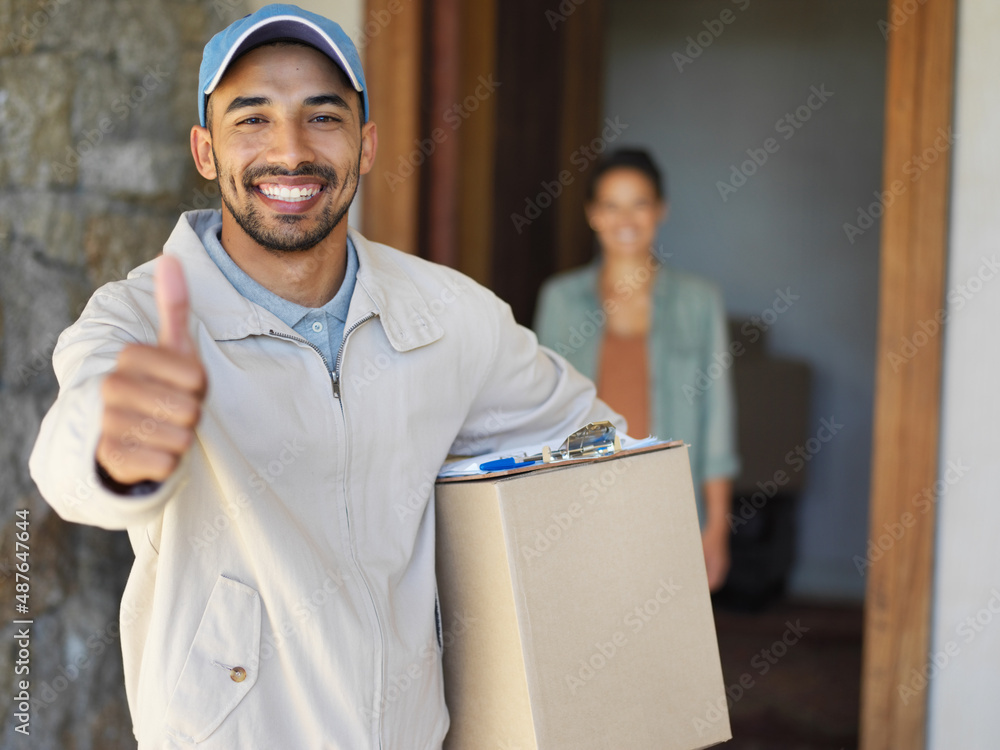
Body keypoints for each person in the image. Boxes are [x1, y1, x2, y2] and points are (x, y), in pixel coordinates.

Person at [28, 5, 621, 747]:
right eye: (252, 119)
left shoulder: (449, 313)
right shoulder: (139, 319)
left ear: (367, 144)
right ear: (205, 151)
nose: (290, 150)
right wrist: (114, 447)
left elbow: (592, 442)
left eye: (323, 117)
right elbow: (65, 462)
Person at [533, 148, 739, 592]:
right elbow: (541, 410)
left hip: (670, 502)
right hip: (579, 502)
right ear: (592, 214)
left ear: (660, 210)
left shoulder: (698, 301)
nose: (625, 218)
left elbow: (716, 416)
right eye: (611, 205)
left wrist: (718, 526)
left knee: (667, 642)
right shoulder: (560, 300)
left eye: (639, 203)